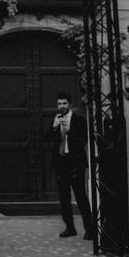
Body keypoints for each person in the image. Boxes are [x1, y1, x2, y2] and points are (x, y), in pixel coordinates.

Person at [45, 92, 94, 240]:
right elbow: (47, 139)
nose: (62, 106)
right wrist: (54, 127)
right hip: (61, 163)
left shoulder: (79, 120)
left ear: (70, 104)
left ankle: (90, 229)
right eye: (59, 104)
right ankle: (70, 227)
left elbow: (83, 141)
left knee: (80, 196)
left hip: (75, 163)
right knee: (64, 198)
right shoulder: (56, 119)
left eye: (64, 103)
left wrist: (69, 131)